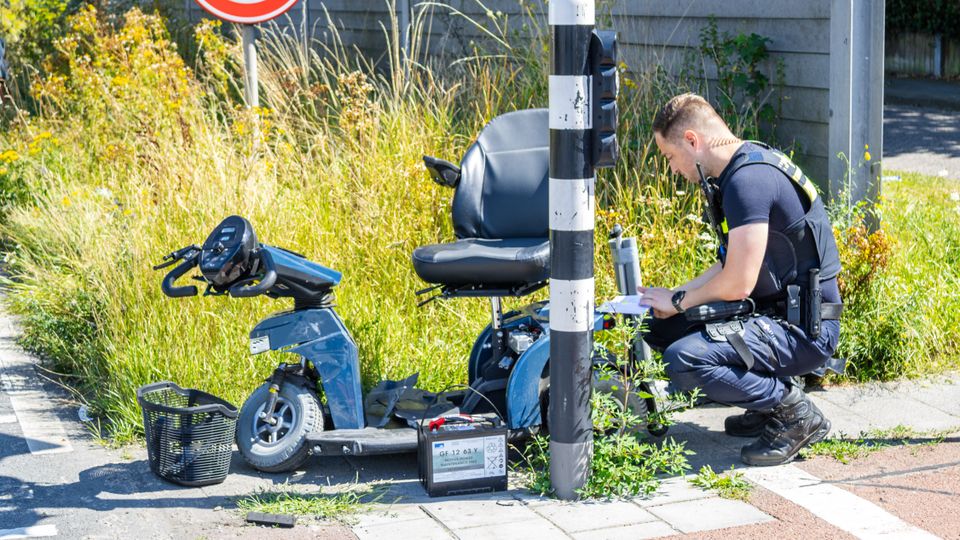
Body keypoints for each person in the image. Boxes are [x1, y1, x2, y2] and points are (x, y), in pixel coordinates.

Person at [638, 93, 843, 466]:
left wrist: (682, 301)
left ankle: (793, 413)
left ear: (691, 141)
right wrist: (675, 297)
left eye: (669, 157)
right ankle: (765, 403)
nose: (671, 168)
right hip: (777, 314)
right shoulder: (744, 167)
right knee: (659, 326)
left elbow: (737, 284)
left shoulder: (747, 181)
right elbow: (728, 264)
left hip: (804, 330)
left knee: (684, 359)